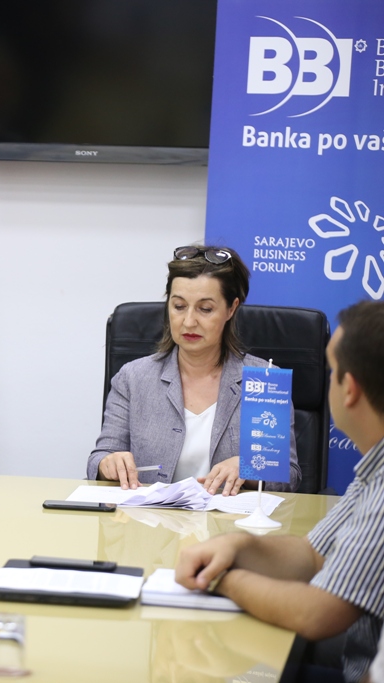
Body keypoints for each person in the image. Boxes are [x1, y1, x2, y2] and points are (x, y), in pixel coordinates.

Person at [176, 300, 384, 682]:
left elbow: (317, 613)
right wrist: (238, 547)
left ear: (350, 390)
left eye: (332, 372)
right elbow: (314, 555)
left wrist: (221, 580)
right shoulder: (374, 469)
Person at [87, 245, 300, 494]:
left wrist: (249, 467)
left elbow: (289, 477)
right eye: (179, 306)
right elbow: (99, 458)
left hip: (229, 518)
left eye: (205, 309)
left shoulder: (264, 379)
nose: (189, 322)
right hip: (150, 517)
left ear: (231, 308)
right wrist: (107, 463)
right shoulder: (133, 378)